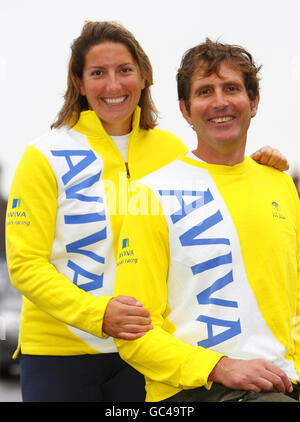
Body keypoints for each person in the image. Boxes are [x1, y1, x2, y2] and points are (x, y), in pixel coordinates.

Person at [5, 21, 290, 403]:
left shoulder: (171, 151)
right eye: (97, 73)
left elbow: (219, 174)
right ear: (78, 82)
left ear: (143, 77)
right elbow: (25, 264)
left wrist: (259, 168)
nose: (113, 85)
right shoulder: (44, 155)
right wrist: (98, 313)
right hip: (60, 351)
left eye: (124, 70)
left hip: (145, 355)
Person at [113, 39, 300, 402]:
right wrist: (218, 366)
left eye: (231, 88)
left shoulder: (280, 183)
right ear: (185, 110)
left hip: (284, 380)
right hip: (199, 388)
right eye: (204, 91)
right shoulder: (147, 195)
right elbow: (132, 335)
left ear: (254, 102)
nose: (219, 102)